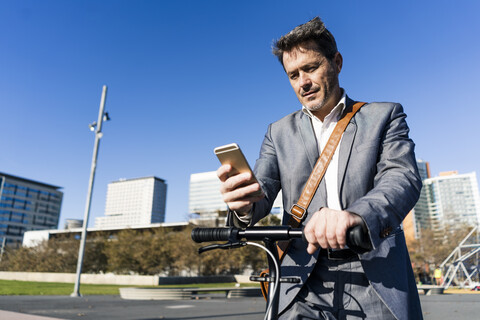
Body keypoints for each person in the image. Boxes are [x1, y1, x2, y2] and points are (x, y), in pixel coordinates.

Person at [217, 17, 422, 319]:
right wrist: (244, 204)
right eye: (293, 75)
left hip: (373, 272)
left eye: (311, 68)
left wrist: (355, 215)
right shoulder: (278, 132)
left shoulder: (385, 115)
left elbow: (401, 178)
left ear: (336, 62)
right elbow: (261, 189)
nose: (303, 82)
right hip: (300, 278)